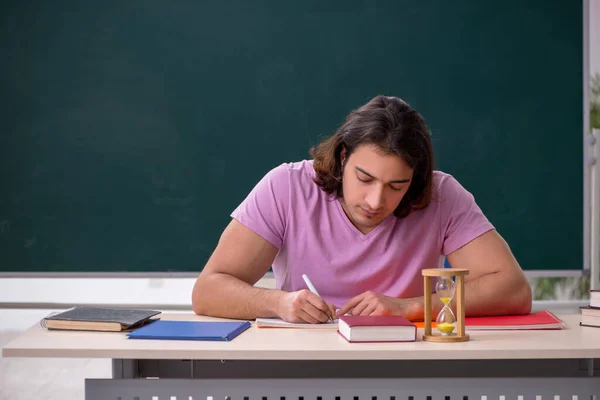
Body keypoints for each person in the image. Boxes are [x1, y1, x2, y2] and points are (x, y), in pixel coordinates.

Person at [192, 95, 532, 323]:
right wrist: (278, 303)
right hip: (303, 368)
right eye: (364, 178)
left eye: (396, 186)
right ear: (343, 158)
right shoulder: (286, 186)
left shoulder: (442, 194)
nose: (375, 202)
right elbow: (207, 291)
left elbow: (514, 290)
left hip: (409, 371)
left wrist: (410, 306)